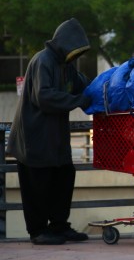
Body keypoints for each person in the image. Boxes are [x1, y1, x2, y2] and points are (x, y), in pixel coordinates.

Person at [6, 18, 92, 245]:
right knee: (38, 184)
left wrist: (100, 92)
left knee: (63, 177)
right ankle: (38, 231)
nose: (76, 56)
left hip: (55, 139)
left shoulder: (66, 65)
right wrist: (77, 100)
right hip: (34, 138)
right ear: (65, 43)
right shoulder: (42, 61)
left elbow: (83, 85)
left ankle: (59, 225)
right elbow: (43, 96)